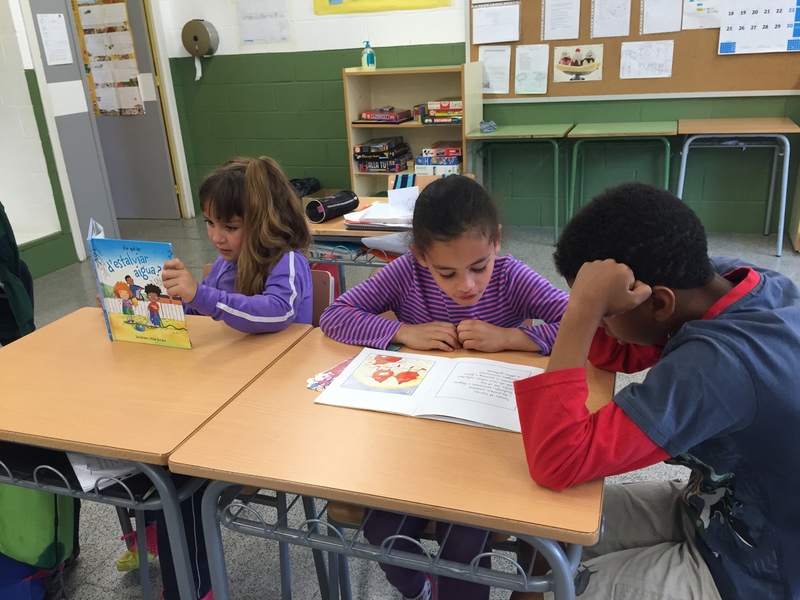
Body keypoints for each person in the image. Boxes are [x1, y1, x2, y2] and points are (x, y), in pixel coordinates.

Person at [512, 182, 800, 600]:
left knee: (556, 588)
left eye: (605, 314)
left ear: (660, 303)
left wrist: (581, 313)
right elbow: (621, 351)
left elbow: (558, 460)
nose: (600, 324)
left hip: (760, 569)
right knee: (543, 528)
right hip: (713, 508)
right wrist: (597, 310)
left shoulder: (718, 367)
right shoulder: (725, 283)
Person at [320, 175, 569, 600]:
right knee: (383, 532)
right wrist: (402, 331)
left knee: (465, 545)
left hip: (483, 449)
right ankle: (419, 591)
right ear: (420, 255)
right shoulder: (406, 273)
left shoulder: (512, 277)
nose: (466, 285)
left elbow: (581, 326)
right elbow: (335, 315)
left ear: (497, 242)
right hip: (412, 445)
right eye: (447, 273)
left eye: (479, 267)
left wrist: (512, 338)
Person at [154, 155, 313, 600]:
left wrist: (203, 296)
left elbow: (276, 313)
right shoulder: (226, 264)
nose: (216, 236)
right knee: (155, 460)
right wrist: (160, 300)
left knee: (179, 487)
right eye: (209, 223)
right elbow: (207, 310)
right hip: (226, 399)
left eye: (229, 226)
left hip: (273, 415)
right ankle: (159, 540)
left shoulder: (289, 263)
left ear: (262, 221)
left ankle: (192, 587)